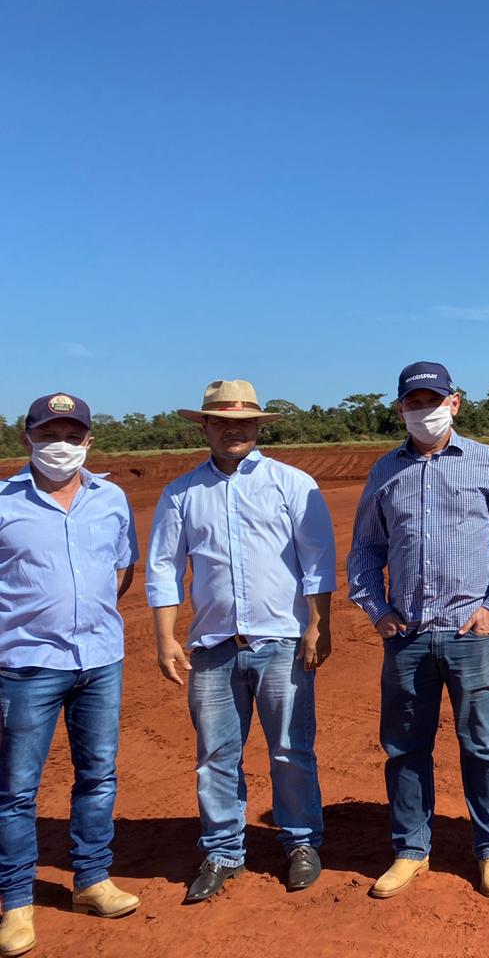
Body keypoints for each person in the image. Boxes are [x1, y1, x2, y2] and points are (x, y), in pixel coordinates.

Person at [347, 361, 489, 900]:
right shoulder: (385, 471)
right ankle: (411, 849)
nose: (423, 410)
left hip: (470, 634)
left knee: (484, 745)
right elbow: (365, 549)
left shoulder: (487, 462)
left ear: (454, 403)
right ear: (400, 409)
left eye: (433, 400)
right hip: (406, 636)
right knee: (405, 748)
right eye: (413, 402)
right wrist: (376, 609)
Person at [146, 379, 335, 904]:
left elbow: (318, 561)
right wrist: (166, 638)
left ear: (258, 426)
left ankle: (301, 842)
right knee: (215, 756)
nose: (235, 430)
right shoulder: (181, 493)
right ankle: (223, 851)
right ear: (204, 427)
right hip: (213, 647)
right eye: (223, 422)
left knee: (291, 749)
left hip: (281, 642)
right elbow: (163, 568)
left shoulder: (292, 484)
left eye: (245, 422)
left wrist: (319, 625)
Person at [0, 393, 140, 957]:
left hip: (100, 660)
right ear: (26, 438)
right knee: (16, 790)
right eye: (48, 434)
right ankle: (16, 905)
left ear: (89, 440)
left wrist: (86, 614)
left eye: (72, 435)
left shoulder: (111, 498)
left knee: (98, 775)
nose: (61, 445)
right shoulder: (4, 502)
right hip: (26, 665)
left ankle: (92, 880)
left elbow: (121, 570)